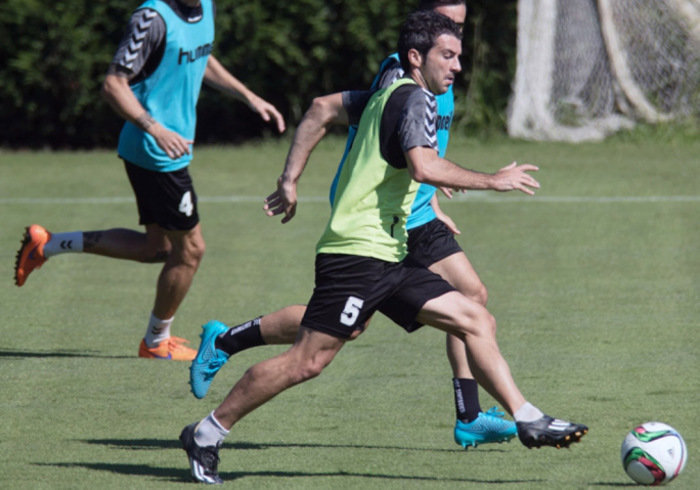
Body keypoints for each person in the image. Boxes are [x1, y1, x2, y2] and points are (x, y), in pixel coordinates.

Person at [180, 11, 586, 484]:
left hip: (390, 251)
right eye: (447, 56)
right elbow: (423, 167)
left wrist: (291, 179)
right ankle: (206, 433)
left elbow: (324, 111)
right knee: (307, 361)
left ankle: (526, 417)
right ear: (417, 57)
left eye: (459, 56)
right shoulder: (414, 98)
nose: (456, 67)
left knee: (475, 315)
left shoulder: (391, 92)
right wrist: (493, 180)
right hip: (357, 253)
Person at [12, 0, 285, 361]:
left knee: (157, 249)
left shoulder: (206, 7)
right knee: (191, 250)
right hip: (154, 153)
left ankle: (46, 245)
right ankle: (156, 341)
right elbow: (113, 84)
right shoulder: (152, 18)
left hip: (170, 150)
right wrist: (155, 128)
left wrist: (247, 96)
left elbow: (200, 57)